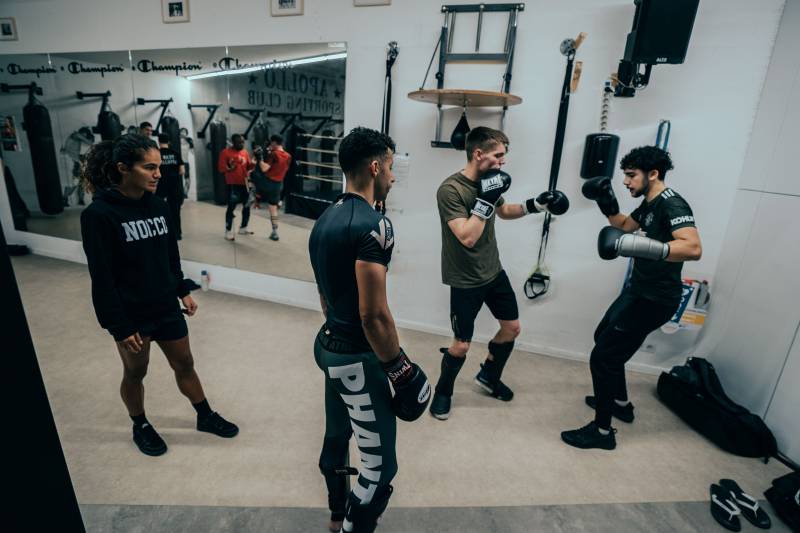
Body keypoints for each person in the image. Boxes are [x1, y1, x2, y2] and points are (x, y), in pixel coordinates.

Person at [79, 134, 238, 457]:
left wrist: (182, 290)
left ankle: (204, 415)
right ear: (123, 168)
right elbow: (102, 277)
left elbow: (170, 255)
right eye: (148, 167)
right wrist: (119, 326)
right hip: (132, 314)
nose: (157, 174)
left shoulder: (158, 205)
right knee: (136, 372)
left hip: (165, 305)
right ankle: (140, 424)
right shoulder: (99, 215)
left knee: (185, 362)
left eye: (158, 167)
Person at [309, 127, 430, 533]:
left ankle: (335, 513)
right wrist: (400, 368)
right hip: (357, 357)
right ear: (375, 167)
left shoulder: (323, 219)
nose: (393, 177)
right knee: (380, 467)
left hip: (328, 345)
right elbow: (373, 316)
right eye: (392, 168)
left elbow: (326, 296)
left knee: (338, 431)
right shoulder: (374, 224)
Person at [561, 146, 702, 450]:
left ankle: (601, 433)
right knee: (604, 337)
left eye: (630, 175)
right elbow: (624, 227)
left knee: (603, 357)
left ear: (653, 174)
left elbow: (692, 248)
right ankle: (620, 403)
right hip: (639, 291)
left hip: (656, 299)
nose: (625, 182)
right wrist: (606, 202)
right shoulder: (649, 203)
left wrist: (643, 246)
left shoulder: (672, 205)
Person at [429, 126, 569, 421]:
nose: (503, 161)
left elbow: (504, 212)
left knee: (512, 328)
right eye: (498, 155)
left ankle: (489, 376)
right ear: (478, 154)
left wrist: (539, 204)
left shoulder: (489, 182)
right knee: (461, 343)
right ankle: (444, 390)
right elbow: (467, 236)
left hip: (493, 272)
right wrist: (485, 200)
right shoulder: (450, 190)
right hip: (465, 280)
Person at [250, 134, 291, 241]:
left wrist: (259, 158)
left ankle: (252, 195)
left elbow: (264, 168)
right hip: (278, 185)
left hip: (267, 183)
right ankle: (274, 232)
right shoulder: (288, 156)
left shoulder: (274, 154)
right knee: (273, 209)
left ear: (274, 142)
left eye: (271, 143)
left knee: (252, 173)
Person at [218, 133, 255, 241]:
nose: (242, 144)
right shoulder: (225, 152)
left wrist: (255, 161)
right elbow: (221, 168)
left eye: (243, 142)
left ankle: (243, 228)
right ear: (233, 142)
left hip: (245, 183)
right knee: (231, 207)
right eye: (239, 142)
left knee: (247, 205)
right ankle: (228, 231)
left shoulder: (244, 152)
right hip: (233, 184)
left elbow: (248, 167)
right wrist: (230, 168)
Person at [155, 133, 185, 240]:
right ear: (169, 142)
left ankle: (162, 233)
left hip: (160, 186)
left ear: (159, 141)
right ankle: (177, 234)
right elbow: (182, 171)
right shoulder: (176, 153)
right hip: (174, 186)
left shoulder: (156, 153)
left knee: (158, 210)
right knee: (175, 211)